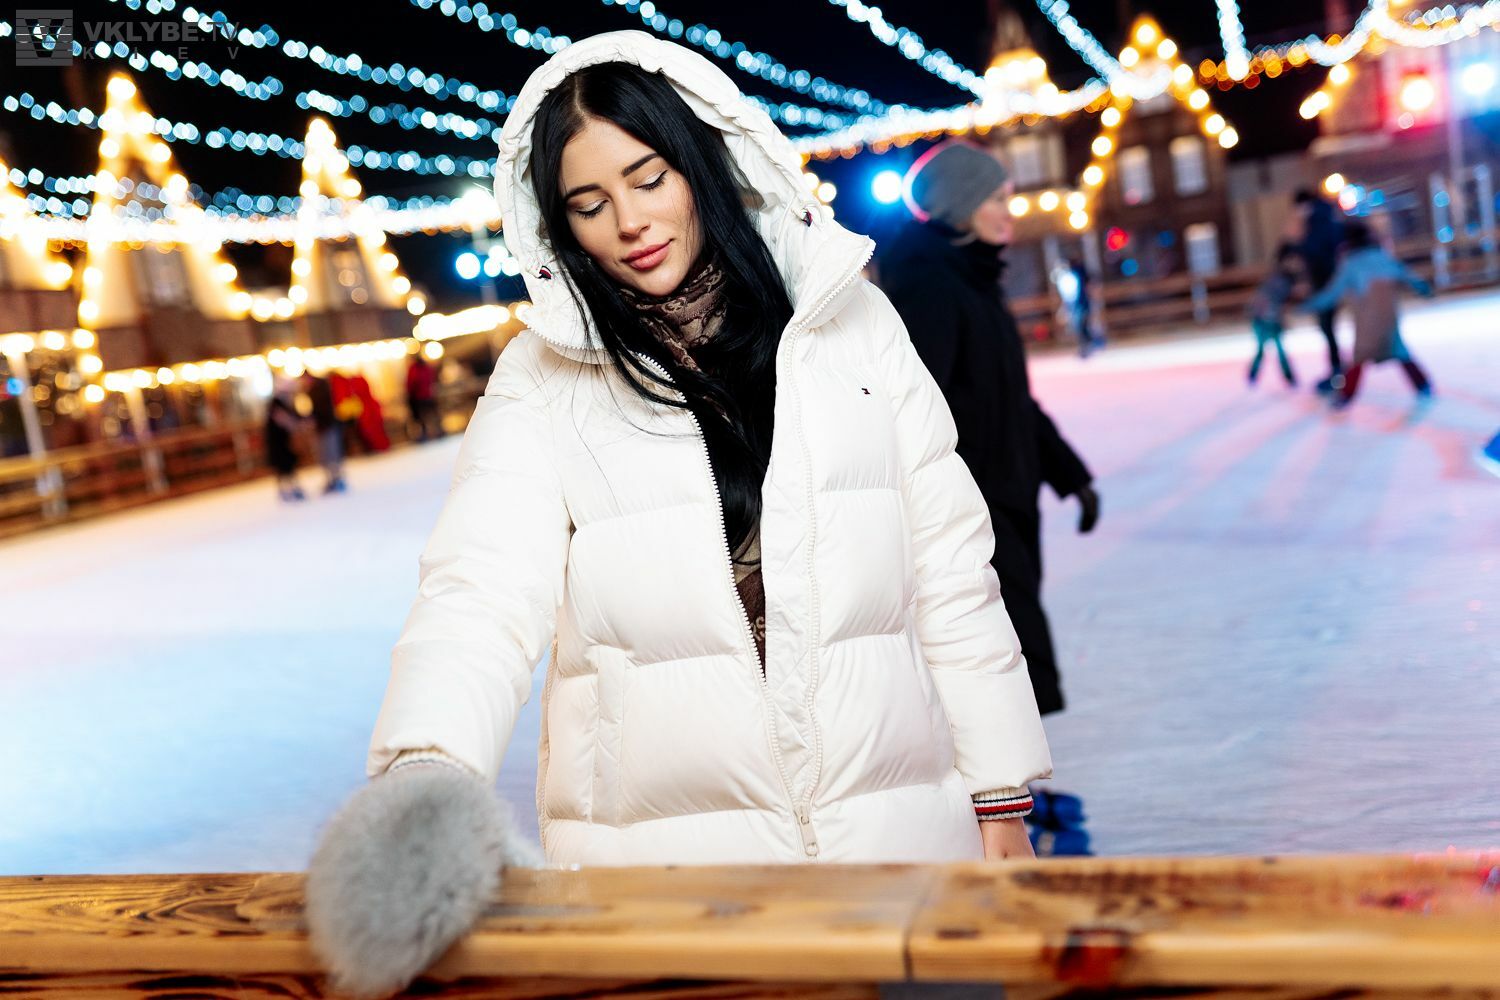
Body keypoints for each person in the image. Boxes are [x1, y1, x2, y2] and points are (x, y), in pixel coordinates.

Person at [305, 35, 1055, 996]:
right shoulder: (544, 381)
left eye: (648, 178)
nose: (629, 222)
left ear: (700, 162)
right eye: (588, 205)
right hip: (663, 880)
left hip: (897, 842)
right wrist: (425, 773)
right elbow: (478, 592)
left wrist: (999, 796)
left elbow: (949, 574)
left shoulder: (851, 328)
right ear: (559, 226)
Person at [875, 140, 1098, 719]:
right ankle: (1014, 774)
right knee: (1006, 660)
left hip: (1010, 494)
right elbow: (918, 408)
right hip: (973, 507)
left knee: (1014, 656)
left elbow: (1011, 399)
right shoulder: (931, 287)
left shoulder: (975, 280)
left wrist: (1068, 473)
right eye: (996, 198)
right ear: (961, 205)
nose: (1009, 211)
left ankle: (1020, 771)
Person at [1300, 220, 1434, 409]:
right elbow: (1406, 275)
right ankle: (1422, 385)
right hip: (1388, 319)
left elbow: (1332, 293)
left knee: (1361, 356)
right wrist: (1424, 289)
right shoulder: (1382, 257)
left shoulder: (1351, 264)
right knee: (1398, 351)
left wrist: (1308, 306)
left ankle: (1346, 396)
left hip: (1367, 322)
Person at [1293, 188, 1347, 391]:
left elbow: (1314, 249)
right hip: (1328, 279)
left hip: (1325, 281)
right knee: (1328, 328)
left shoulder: (1318, 221)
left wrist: (1297, 247)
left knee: (1327, 327)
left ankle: (1338, 372)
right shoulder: (1327, 216)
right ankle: (1337, 370)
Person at [1247, 244, 1299, 388]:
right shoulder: (1279, 278)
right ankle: (1253, 375)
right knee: (1263, 349)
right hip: (1264, 319)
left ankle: (1288, 377)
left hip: (1269, 318)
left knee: (1277, 349)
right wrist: (1277, 317)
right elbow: (1267, 299)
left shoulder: (1285, 277)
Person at [263, 374, 306, 502]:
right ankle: (286, 490)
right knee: (283, 468)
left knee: (288, 467)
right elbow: (286, 421)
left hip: (284, 442)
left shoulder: (283, 403)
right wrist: (298, 424)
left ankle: (290, 488)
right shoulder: (276, 404)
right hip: (278, 443)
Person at [303, 372, 347, 494]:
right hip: (322, 427)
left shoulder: (320, 389)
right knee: (325, 455)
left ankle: (337, 479)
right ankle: (332, 479)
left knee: (332, 453)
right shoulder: (314, 389)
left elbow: (321, 409)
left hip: (328, 426)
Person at [1052, 257, 1103, 357]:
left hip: (1080, 304)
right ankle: (1089, 345)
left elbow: (1076, 293)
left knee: (1081, 325)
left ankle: (1091, 344)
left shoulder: (1075, 275)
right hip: (1075, 305)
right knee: (1078, 326)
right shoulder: (1067, 278)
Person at [404, 353, 443, 442]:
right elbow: (432, 379)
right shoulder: (427, 368)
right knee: (433, 415)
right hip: (429, 395)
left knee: (421, 417)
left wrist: (410, 395)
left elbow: (411, 383)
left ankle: (425, 434)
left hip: (419, 397)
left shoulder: (414, 369)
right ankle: (438, 431)